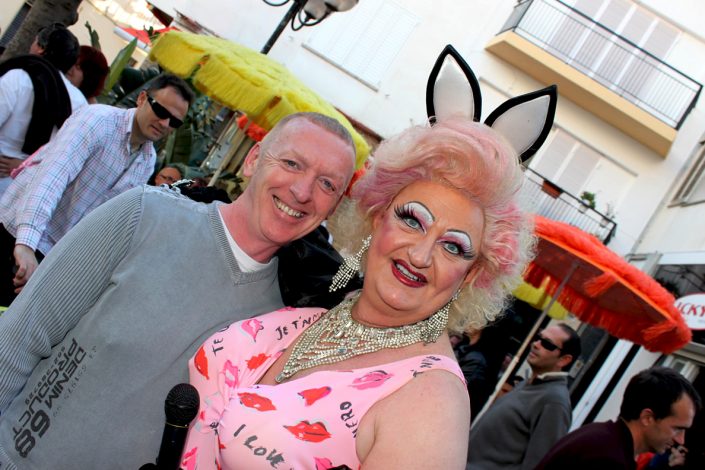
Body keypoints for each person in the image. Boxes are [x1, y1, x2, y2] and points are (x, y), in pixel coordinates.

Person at [0, 112, 357, 468]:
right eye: (292, 163)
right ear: (253, 160)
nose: (302, 192)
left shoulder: (285, 319)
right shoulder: (144, 215)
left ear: (334, 206)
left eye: (327, 184)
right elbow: (21, 336)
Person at [178, 118, 535, 469]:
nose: (420, 255)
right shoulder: (312, 311)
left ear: (471, 275)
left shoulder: (431, 401)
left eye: (453, 247)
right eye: (412, 221)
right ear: (378, 218)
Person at [0, 73, 193, 305]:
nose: (165, 124)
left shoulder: (147, 160)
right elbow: (52, 177)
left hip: (50, 256)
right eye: (160, 111)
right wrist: (26, 243)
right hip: (17, 231)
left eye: (175, 122)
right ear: (142, 98)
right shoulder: (98, 121)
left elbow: (106, 220)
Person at [535, 366, 702, 470]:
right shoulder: (607, 457)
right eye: (677, 428)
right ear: (647, 418)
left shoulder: (602, 437)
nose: (681, 440)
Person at [467, 323, 582, 470]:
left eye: (547, 344)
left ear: (564, 360)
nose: (536, 344)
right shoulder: (528, 383)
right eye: (538, 337)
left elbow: (538, 463)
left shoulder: (554, 401)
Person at [0, 23, 86, 194]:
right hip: (28, 190)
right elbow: (67, 154)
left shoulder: (18, 78)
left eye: (34, 41)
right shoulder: (79, 102)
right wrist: (26, 165)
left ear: (40, 48)